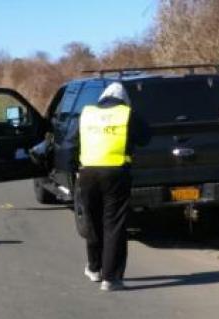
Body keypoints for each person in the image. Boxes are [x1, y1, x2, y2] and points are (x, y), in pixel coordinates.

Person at [78, 82, 151, 291]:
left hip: (88, 172)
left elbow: (75, 141)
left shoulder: (87, 113)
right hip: (115, 173)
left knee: (93, 222)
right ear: (124, 99)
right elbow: (146, 137)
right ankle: (111, 279)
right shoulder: (126, 114)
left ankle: (93, 268)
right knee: (114, 225)